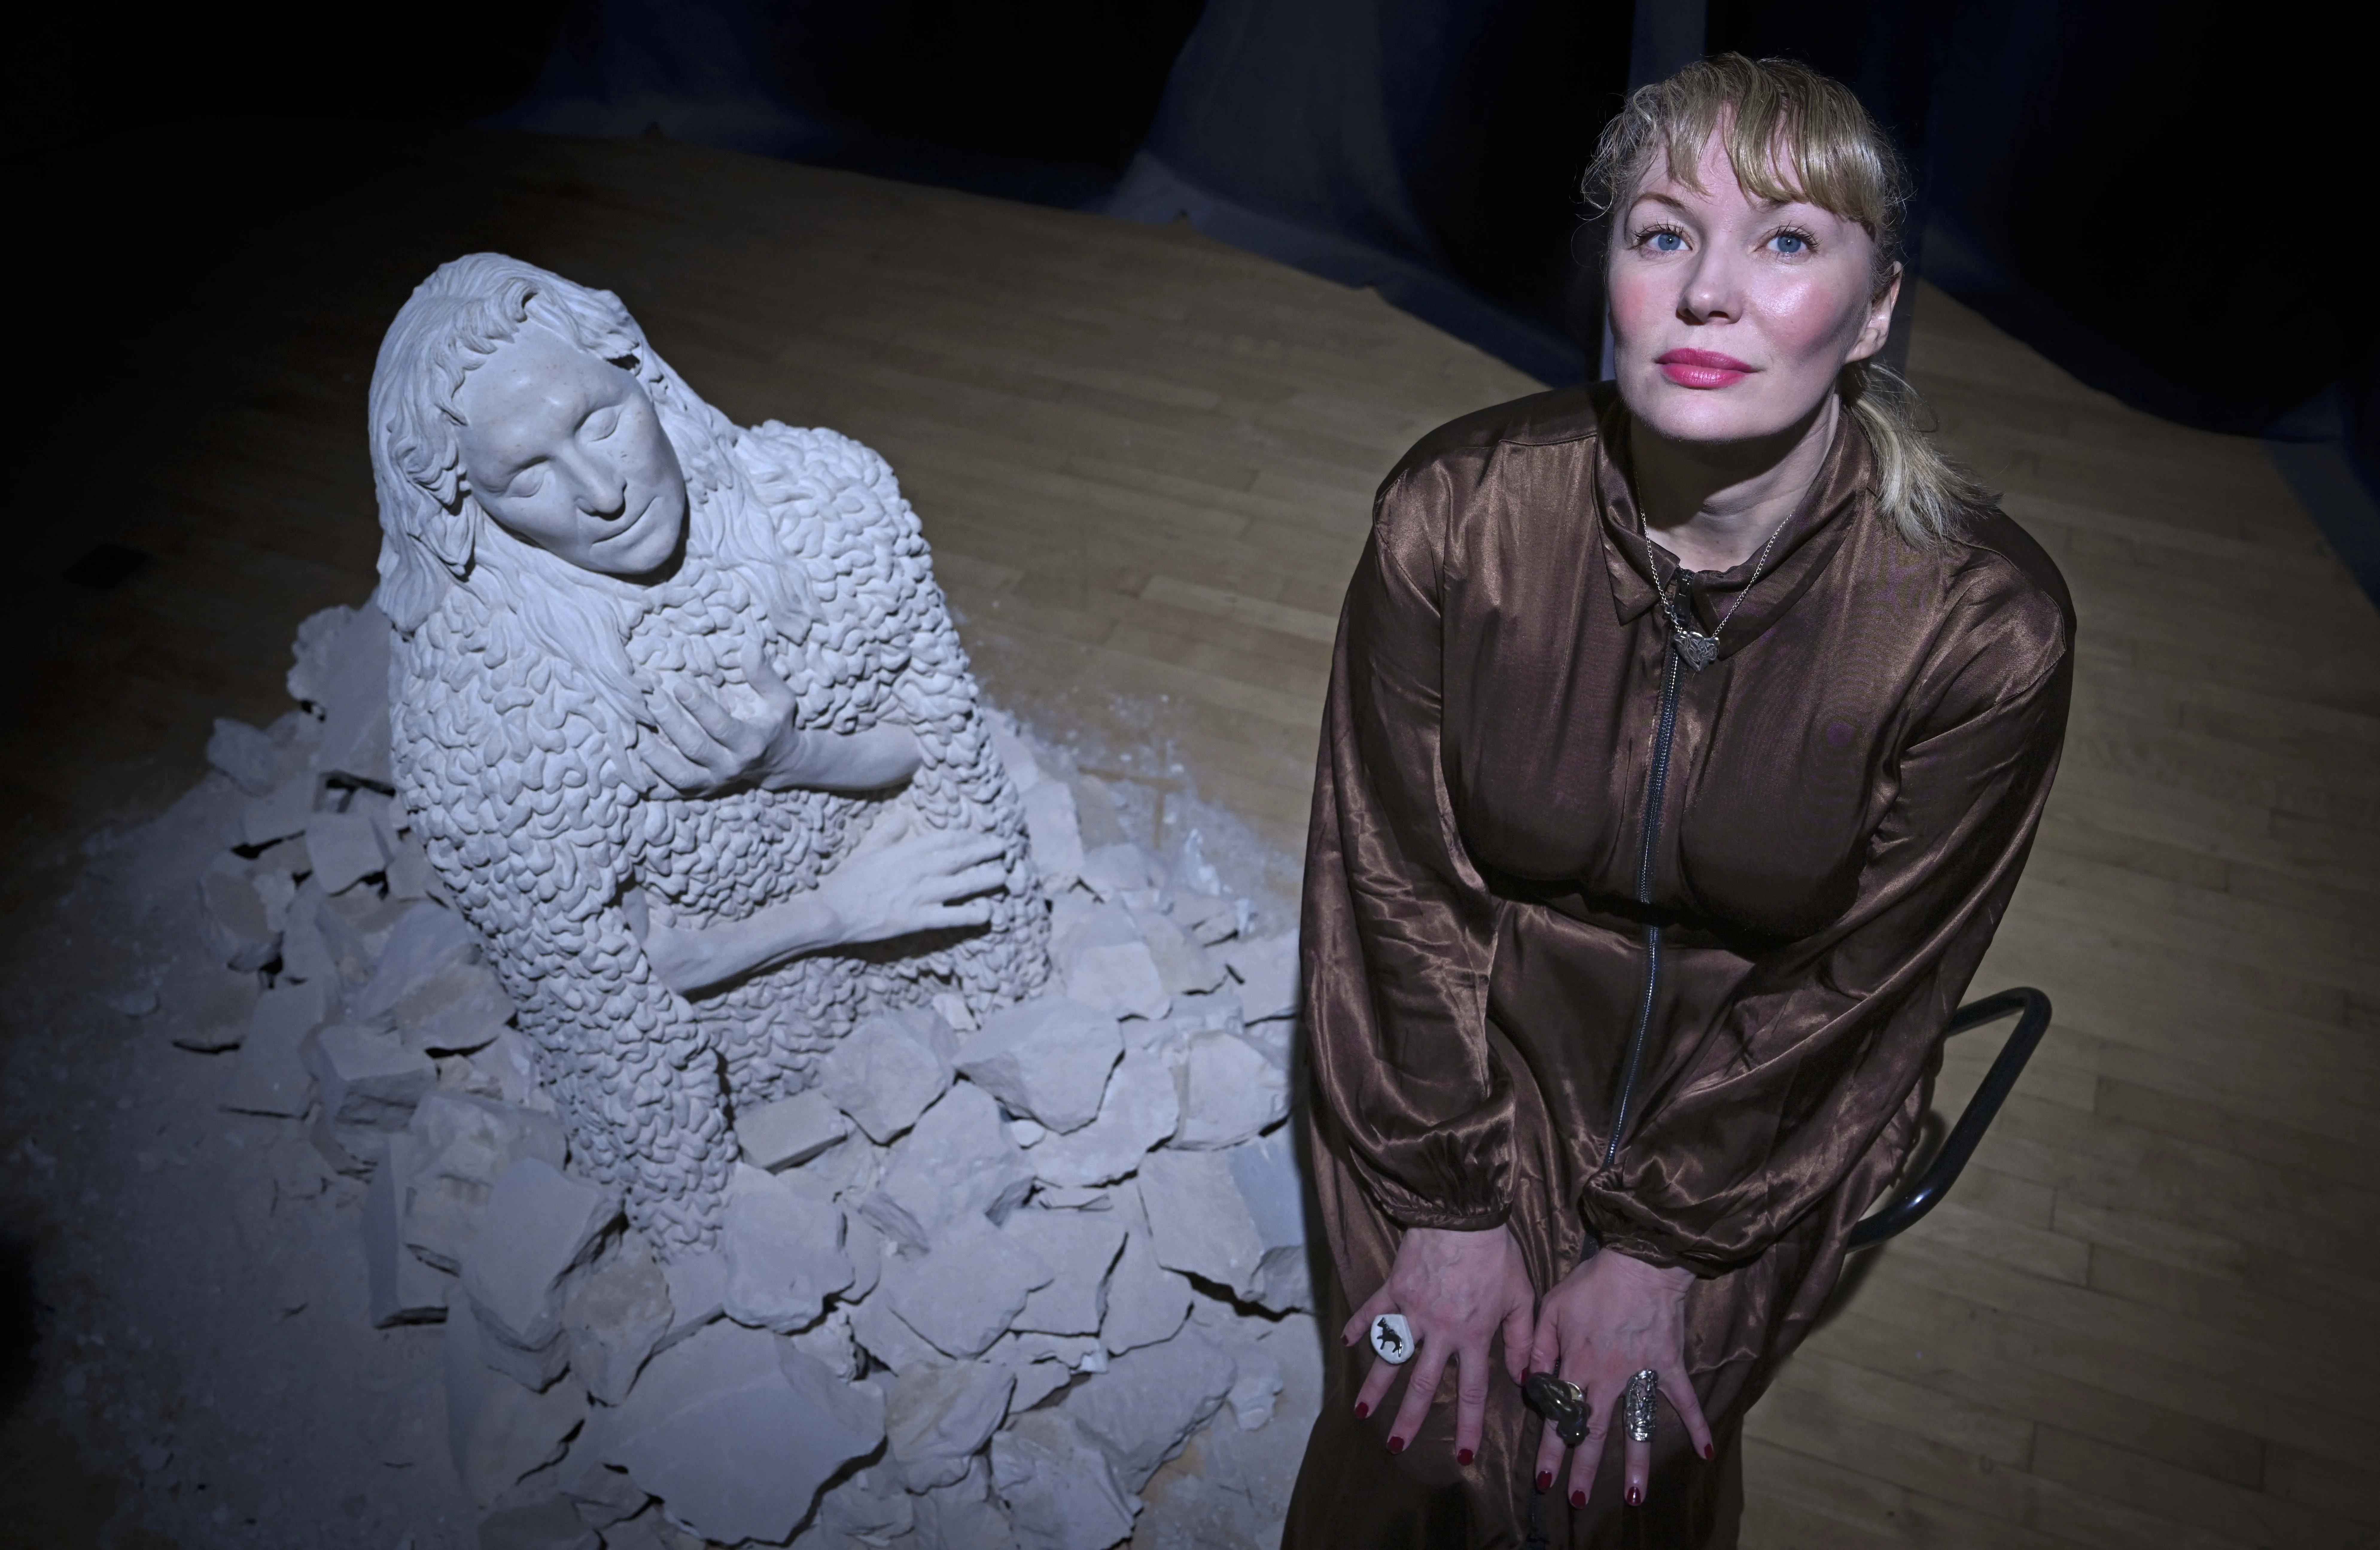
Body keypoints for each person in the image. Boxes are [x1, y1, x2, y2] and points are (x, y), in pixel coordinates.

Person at [1283, 55, 2072, 1547]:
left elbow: (1865, 983)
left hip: (1771, 1086)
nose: (1710, 291)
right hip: (1459, 1042)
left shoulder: (1981, 628)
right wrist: (1450, 1207)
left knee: (1613, 1471)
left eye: (1787, 241)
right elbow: (1391, 880)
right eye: (1663, 234)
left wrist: (1661, 1252)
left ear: (1877, 310)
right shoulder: (1456, 515)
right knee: (1419, 1444)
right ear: (1615, 274)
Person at [369, 255, 1048, 1252]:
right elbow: (612, 987)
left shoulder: (828, 499)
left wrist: (791, 757)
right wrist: (836, 914)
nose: (601, 491)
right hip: (753, 1027)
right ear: (466, 506)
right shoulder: (479, 725)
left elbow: (937, 748)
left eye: (598, 421)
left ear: (639, 374)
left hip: (913, 940)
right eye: (527, 474)